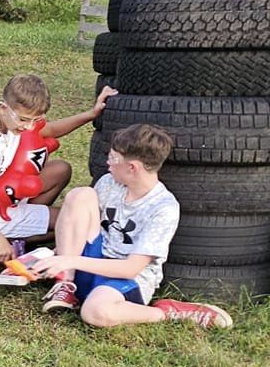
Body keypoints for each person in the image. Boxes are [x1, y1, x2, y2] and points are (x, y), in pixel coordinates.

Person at [32, 122, 233, 330]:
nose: (108, 163)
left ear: (132, 167)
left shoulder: (163, 208)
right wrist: (49, 257)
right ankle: (65, 285)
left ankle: (168, 312)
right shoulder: (109, 183)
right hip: (91, 260)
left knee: (96, 313)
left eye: (112, 158)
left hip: (126, 278)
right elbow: (81, 227)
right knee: (80, 195)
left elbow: (130, 269)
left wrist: (69, 259)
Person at [0, 74, 111, 273]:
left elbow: (47, 130)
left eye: (35, 120)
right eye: (23, 120)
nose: (29, 127)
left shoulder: (4, 113)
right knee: (70, 222)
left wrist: (91, 114)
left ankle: (14, 230)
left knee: (60, 170)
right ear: (4, 107)